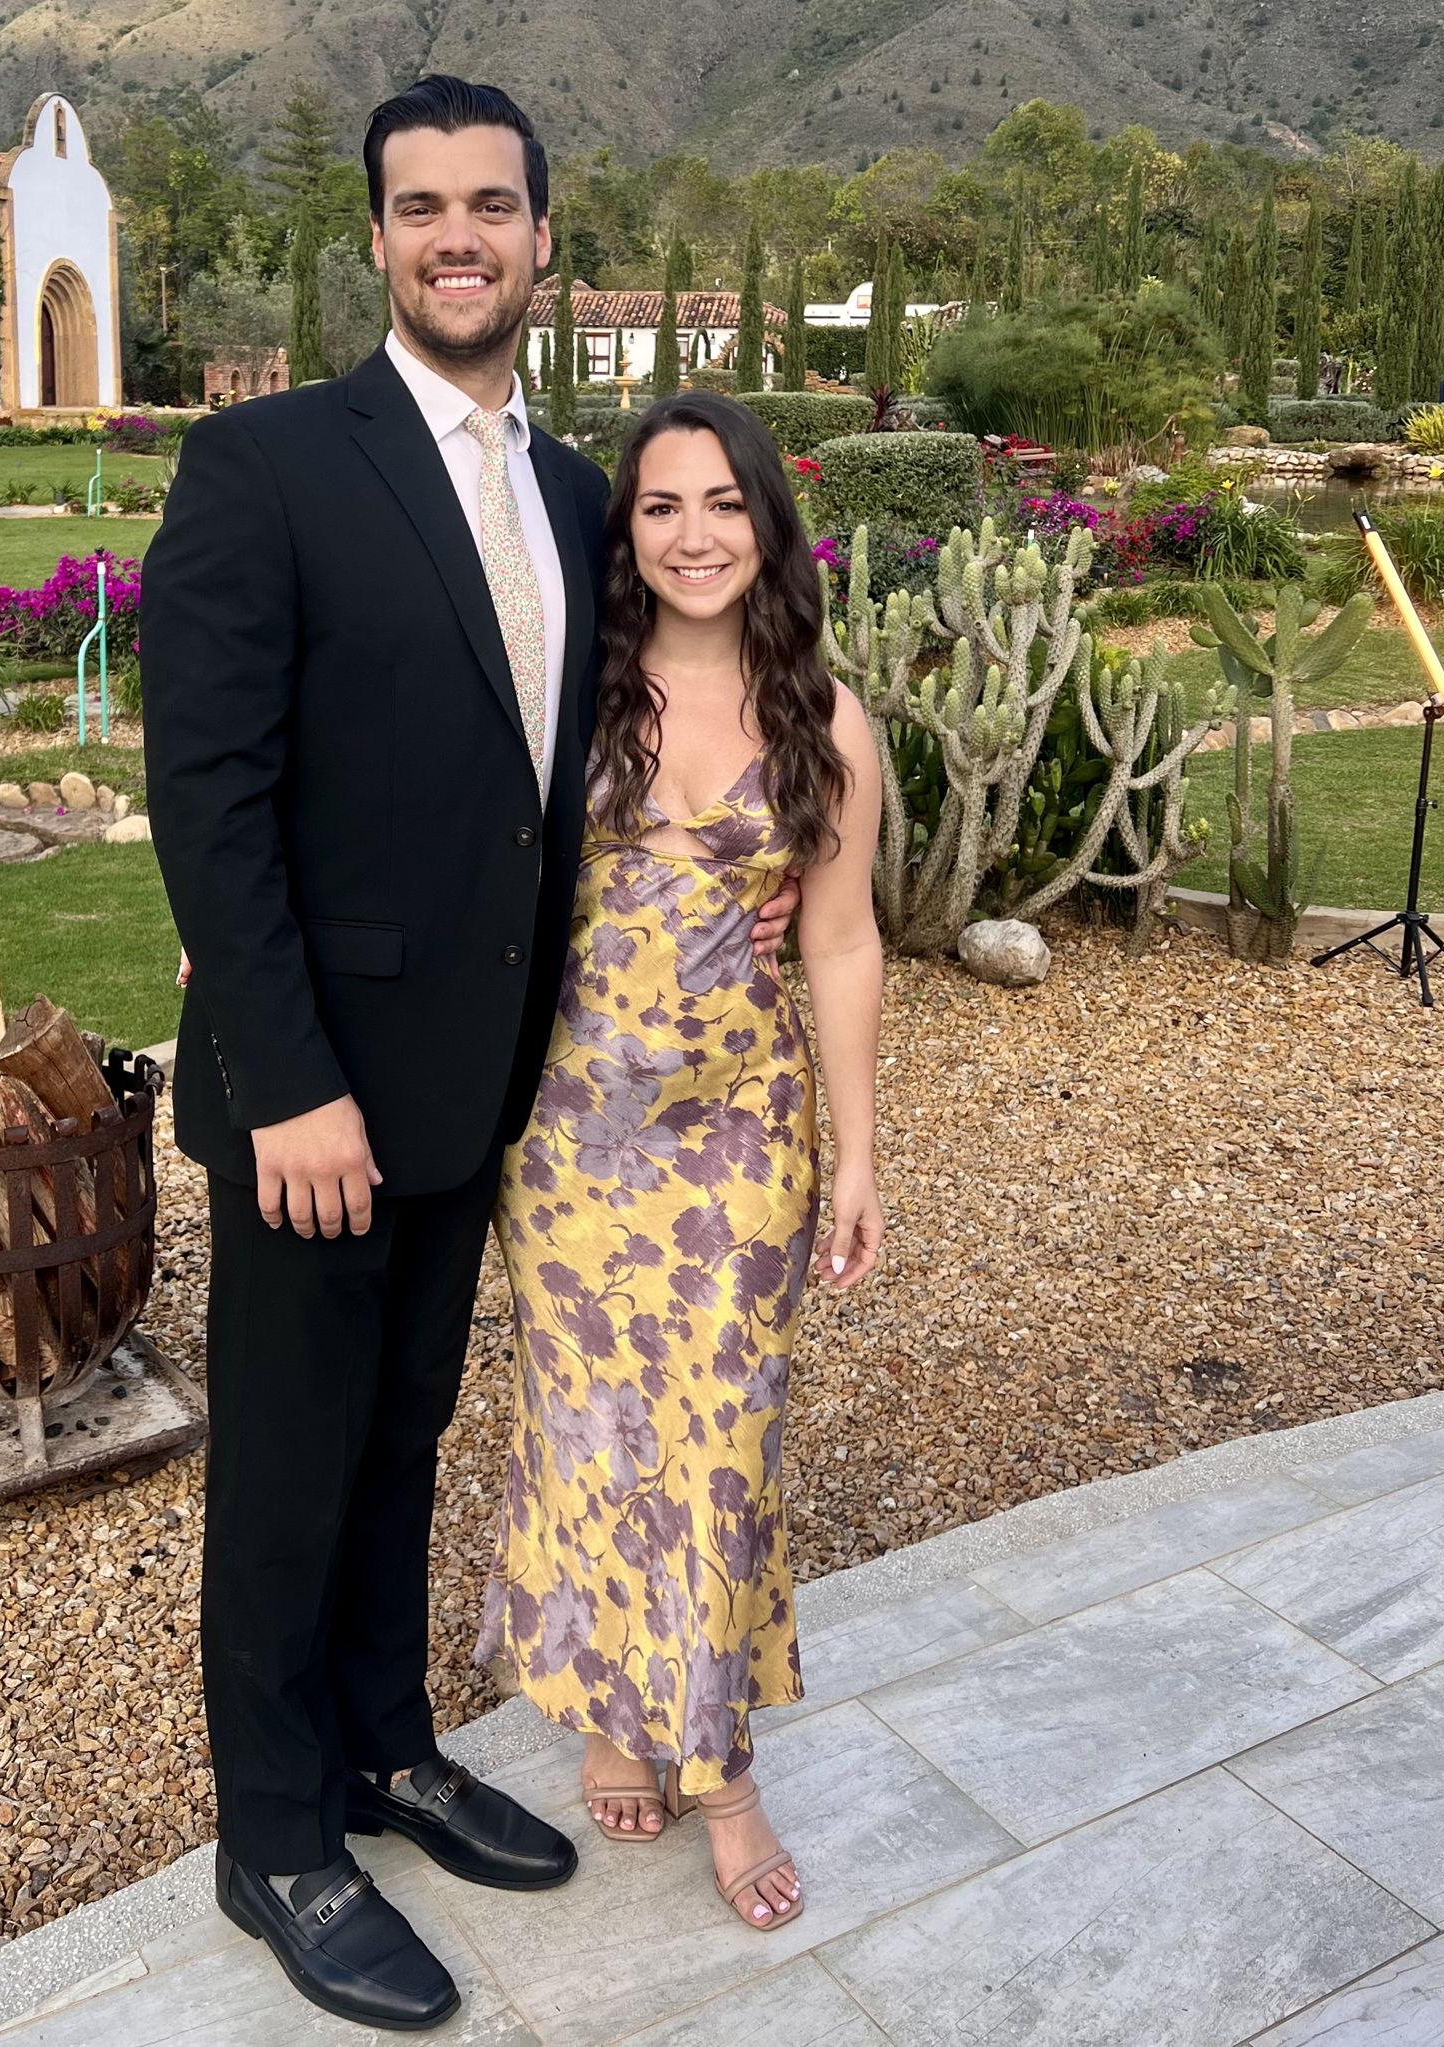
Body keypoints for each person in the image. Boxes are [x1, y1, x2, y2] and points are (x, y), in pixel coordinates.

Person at [141, 78, 796, 2032]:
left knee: (400, 1440)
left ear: (538, 239)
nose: (456, 236)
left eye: (489, 206)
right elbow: (208, 798)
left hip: (489, 1092)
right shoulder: (266, 463)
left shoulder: (585, 495)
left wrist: (761, 886)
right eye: (420, 206)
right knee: (286, 1467)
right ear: (377, 238)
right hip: (315, 1100)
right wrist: (288, 1084)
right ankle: (275, 1835)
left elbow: (620, 755)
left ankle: (382, 1750)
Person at [472, 391, 886, 1934]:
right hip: (568, 1143)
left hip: (740, 1142)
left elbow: (842, 943)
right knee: (589, 1430)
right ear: (625, 530)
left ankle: (723, 1772)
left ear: (766, 524)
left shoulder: (825, 722)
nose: (694, 535)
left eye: (724, 503)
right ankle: (606, 1703)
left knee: (719, 1442)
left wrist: (859, 1156)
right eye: (661, 505)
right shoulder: (567, 698)